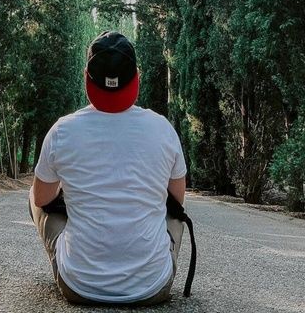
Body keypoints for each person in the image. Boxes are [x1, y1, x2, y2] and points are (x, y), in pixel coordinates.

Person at [29, 31, 187, 305]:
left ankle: (76, 263)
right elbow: (177, 200)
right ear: (137, 76)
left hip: (79, 287)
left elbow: (43, 198)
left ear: (86, 76)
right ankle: (147, 267)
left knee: (34, 197)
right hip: (152, 288)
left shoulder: (62, 131)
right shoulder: (163, 128)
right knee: (175, 215)